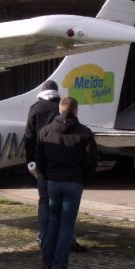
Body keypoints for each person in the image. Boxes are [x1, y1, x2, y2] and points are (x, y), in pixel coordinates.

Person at [35, 96, 98, 269]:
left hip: (53, 182)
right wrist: (84, 179)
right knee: (66, 226)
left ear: (59, 109)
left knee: (52, 223)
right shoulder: (85, 133)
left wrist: (45, 177)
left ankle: (46, 262)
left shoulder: (45, 131)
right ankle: (60, 267)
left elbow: (39, 158)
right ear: (76, 111)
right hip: (73, 183)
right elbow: (91, 160)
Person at [24, 80, 88, 253]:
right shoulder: (62, 109)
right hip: (66, 166)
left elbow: (29, 138)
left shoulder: (35, 109)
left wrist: (31, 164)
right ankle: (68, 241)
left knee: (45, 204)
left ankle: (43, 239)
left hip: (43, 166)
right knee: (66, 209)